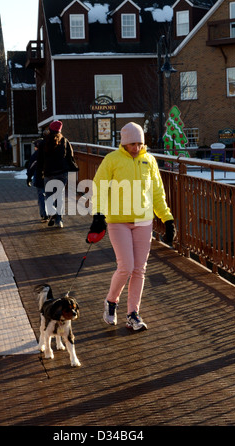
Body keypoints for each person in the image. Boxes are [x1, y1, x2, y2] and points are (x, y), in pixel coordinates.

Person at [87, 122, 176, 331]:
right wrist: (98, 216)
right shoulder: (112, 160)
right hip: (118, 221)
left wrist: (167, 219)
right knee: (126, 266)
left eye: (139, 144)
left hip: (144, 222)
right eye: (132, 144)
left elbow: (157, 194)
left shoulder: (150, 161)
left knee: (139, 270)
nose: (136, 148)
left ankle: (132, 314)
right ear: (124, 143)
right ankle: (111, 302)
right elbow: (99, 189)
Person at [36, 120, 79, 228]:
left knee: (50, 196)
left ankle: (53, 213)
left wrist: (39, 173)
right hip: (62, 174)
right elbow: (70, 156)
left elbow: (40, 160)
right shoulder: (64, 141)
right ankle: (59, 220)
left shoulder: (43, 143)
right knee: (59, 196)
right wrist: (74, 167)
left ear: (50, 130)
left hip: (48, 173)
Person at [27, 139, 47, 222]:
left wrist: (29, 177)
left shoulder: (36, 155)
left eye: (35, 146)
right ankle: (54, 214)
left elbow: (31, 167)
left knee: (41, 196)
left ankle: (44, 215)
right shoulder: (50, 153)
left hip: (40, 177)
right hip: (51, 177)